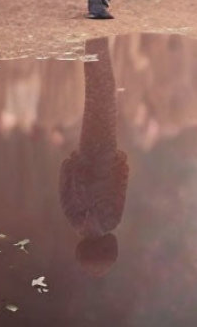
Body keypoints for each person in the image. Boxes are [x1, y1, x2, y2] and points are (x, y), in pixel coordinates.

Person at [59, 36, 129, 277]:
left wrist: (121, 163)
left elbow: (119, 187)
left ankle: (97, 44)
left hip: (107, 155)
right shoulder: (75, 220)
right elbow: (65, 184)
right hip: (86, 153)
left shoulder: (111, 221)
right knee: (94, 99)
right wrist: (73, 162)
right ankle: (93, 47)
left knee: (106, 96)